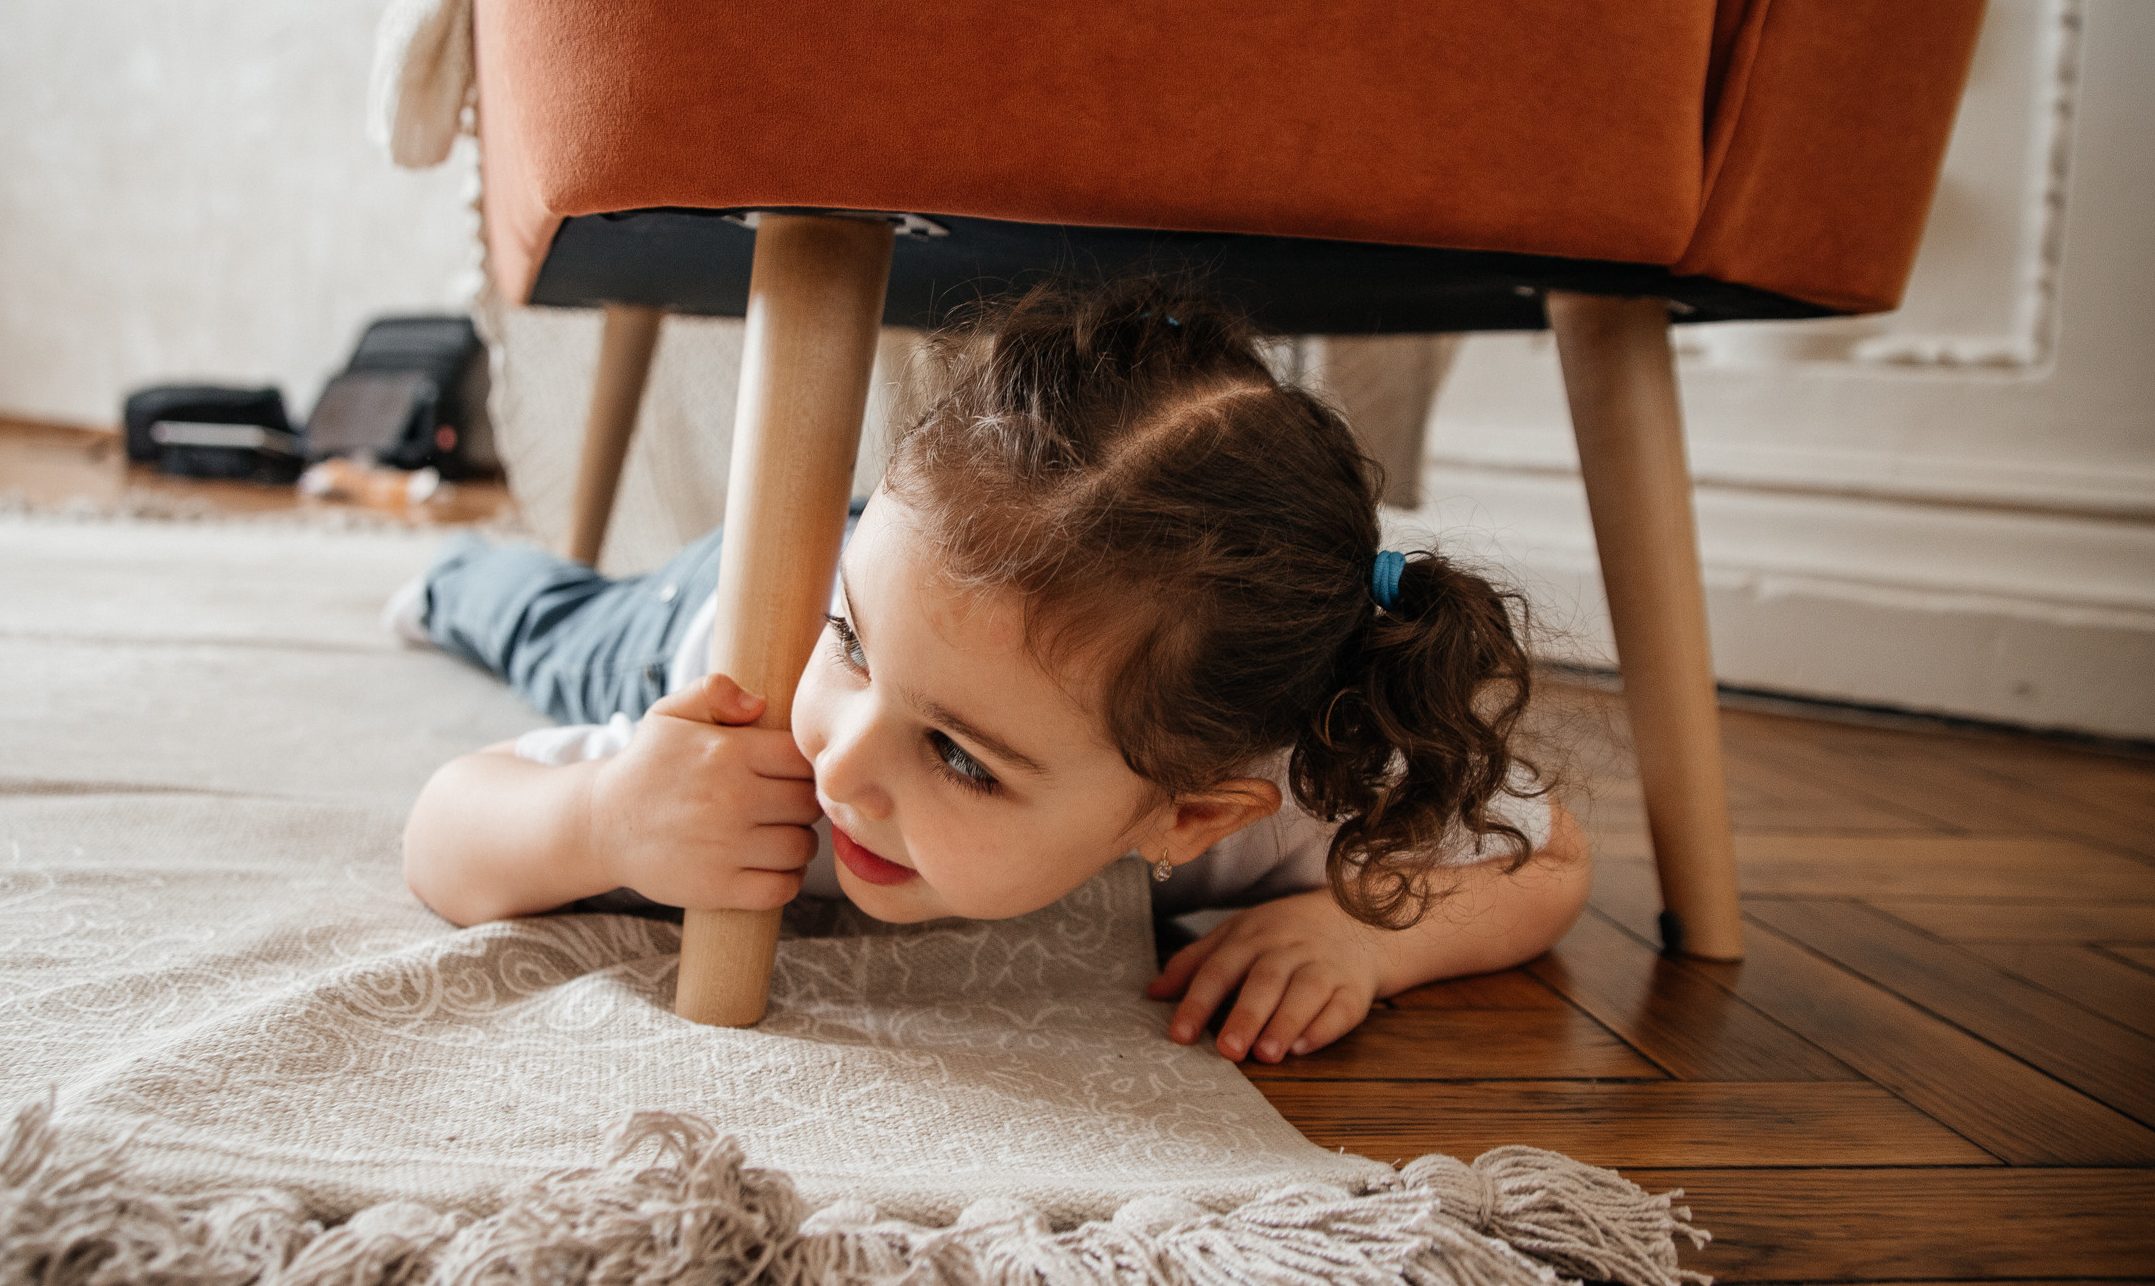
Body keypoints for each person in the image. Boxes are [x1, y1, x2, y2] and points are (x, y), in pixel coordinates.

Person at [398, 280, 1588, 1063]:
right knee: (555, 627)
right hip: (714, 608)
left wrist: (1367, 940)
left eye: (962, 756)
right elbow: (446, 829)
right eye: (853, 653)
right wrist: (605, 816)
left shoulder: (1261, 773)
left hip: (923, 594)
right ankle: (460, 574)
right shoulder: (770, 745)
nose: (845, 764)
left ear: (1188, 816)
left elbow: (1550, 858)